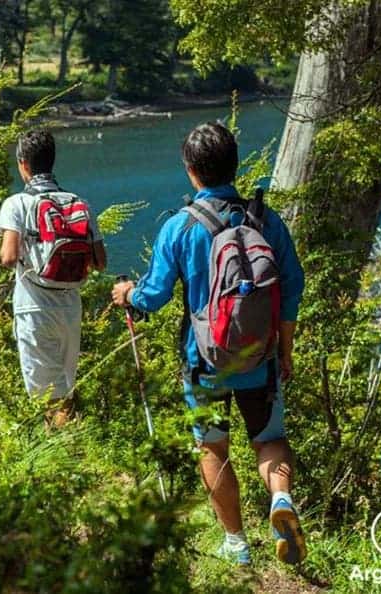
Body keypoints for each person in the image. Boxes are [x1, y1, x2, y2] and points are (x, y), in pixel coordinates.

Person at [111, 122, 307, 566]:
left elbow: (154, 296)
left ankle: (236, 544)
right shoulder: (266, 219)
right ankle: (281, 501)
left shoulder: (180, 226)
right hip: (260, 356)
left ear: (191, 171)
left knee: (213, 447)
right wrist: (285, 349)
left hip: (205, 361)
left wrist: (127, 294)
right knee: (269, 440)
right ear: (234, 165)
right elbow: (292, 286)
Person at [0, 129, 107, 426]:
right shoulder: (78, 202)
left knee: (46, 394)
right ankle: (68, 444)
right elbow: (101, 262)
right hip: (70, 308)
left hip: (34, 308)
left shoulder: (17, 203)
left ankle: (61, 454)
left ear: (23, 164)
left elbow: (7, 258)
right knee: (65, 386)